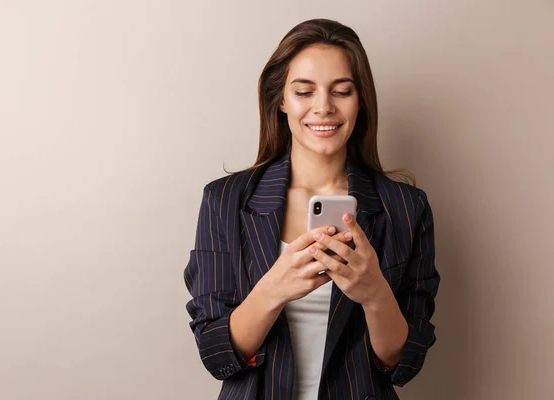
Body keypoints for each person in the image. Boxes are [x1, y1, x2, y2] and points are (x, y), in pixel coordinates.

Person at [183, 18, 440, 400]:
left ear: (361, 100)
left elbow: (403, 364)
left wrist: (374, 294)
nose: (323, 107)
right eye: (304, 91)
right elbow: (216, 352)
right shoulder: (225, 201)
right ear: (281, 100)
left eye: (342, 91)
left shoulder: (405, 207)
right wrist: (274, 289)